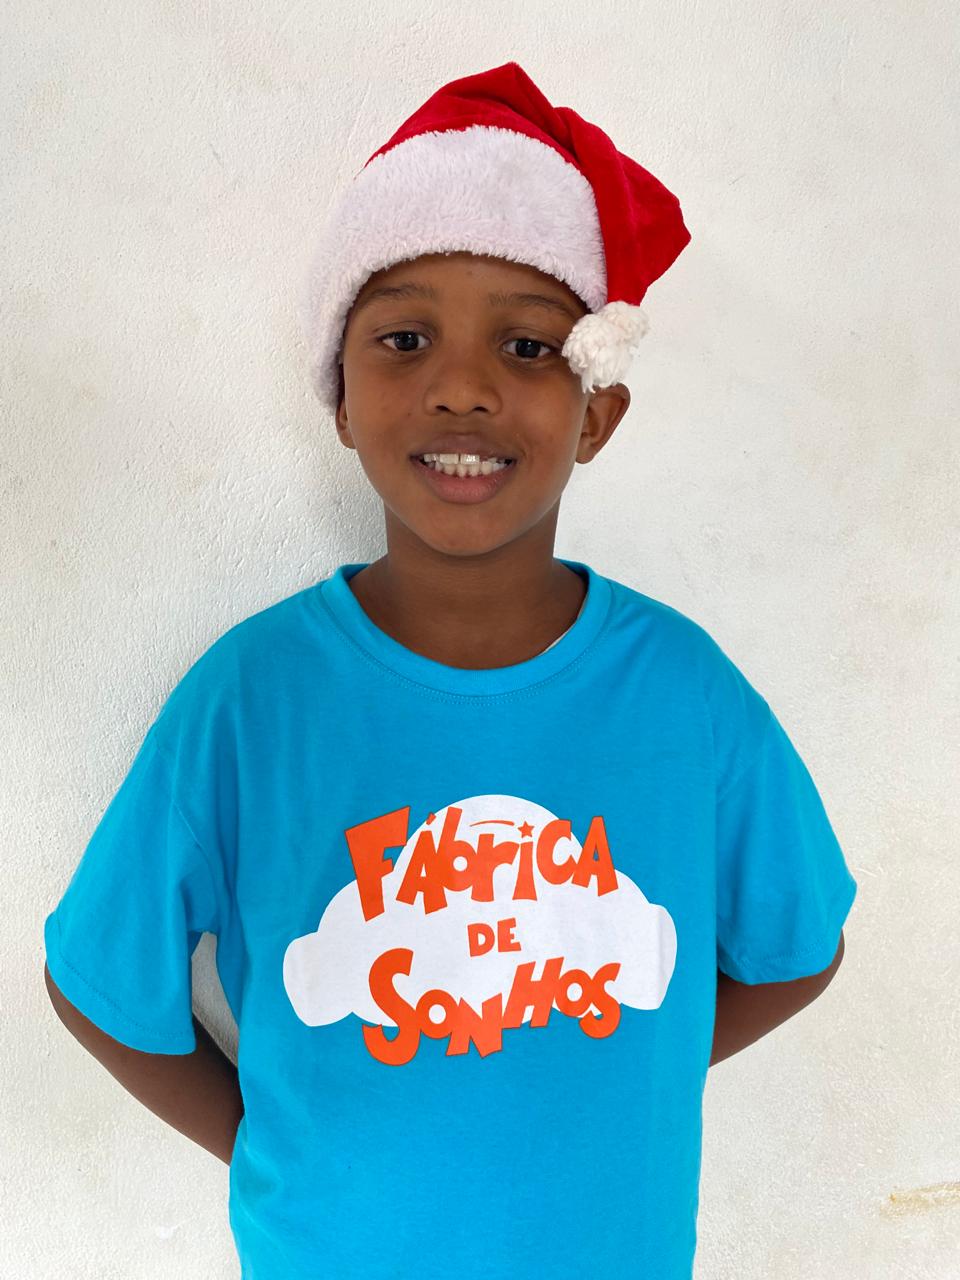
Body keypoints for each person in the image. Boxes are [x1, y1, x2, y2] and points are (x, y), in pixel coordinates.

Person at [42, 61, 857, 1279]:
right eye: (404, 337)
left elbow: (797, 946)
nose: (464, 387)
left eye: (527, 344)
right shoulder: (250, 700)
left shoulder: (685, 694)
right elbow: (99, 982)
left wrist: (620, 1071)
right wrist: (273, 1140)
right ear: (341, 395)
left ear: (596, 414)